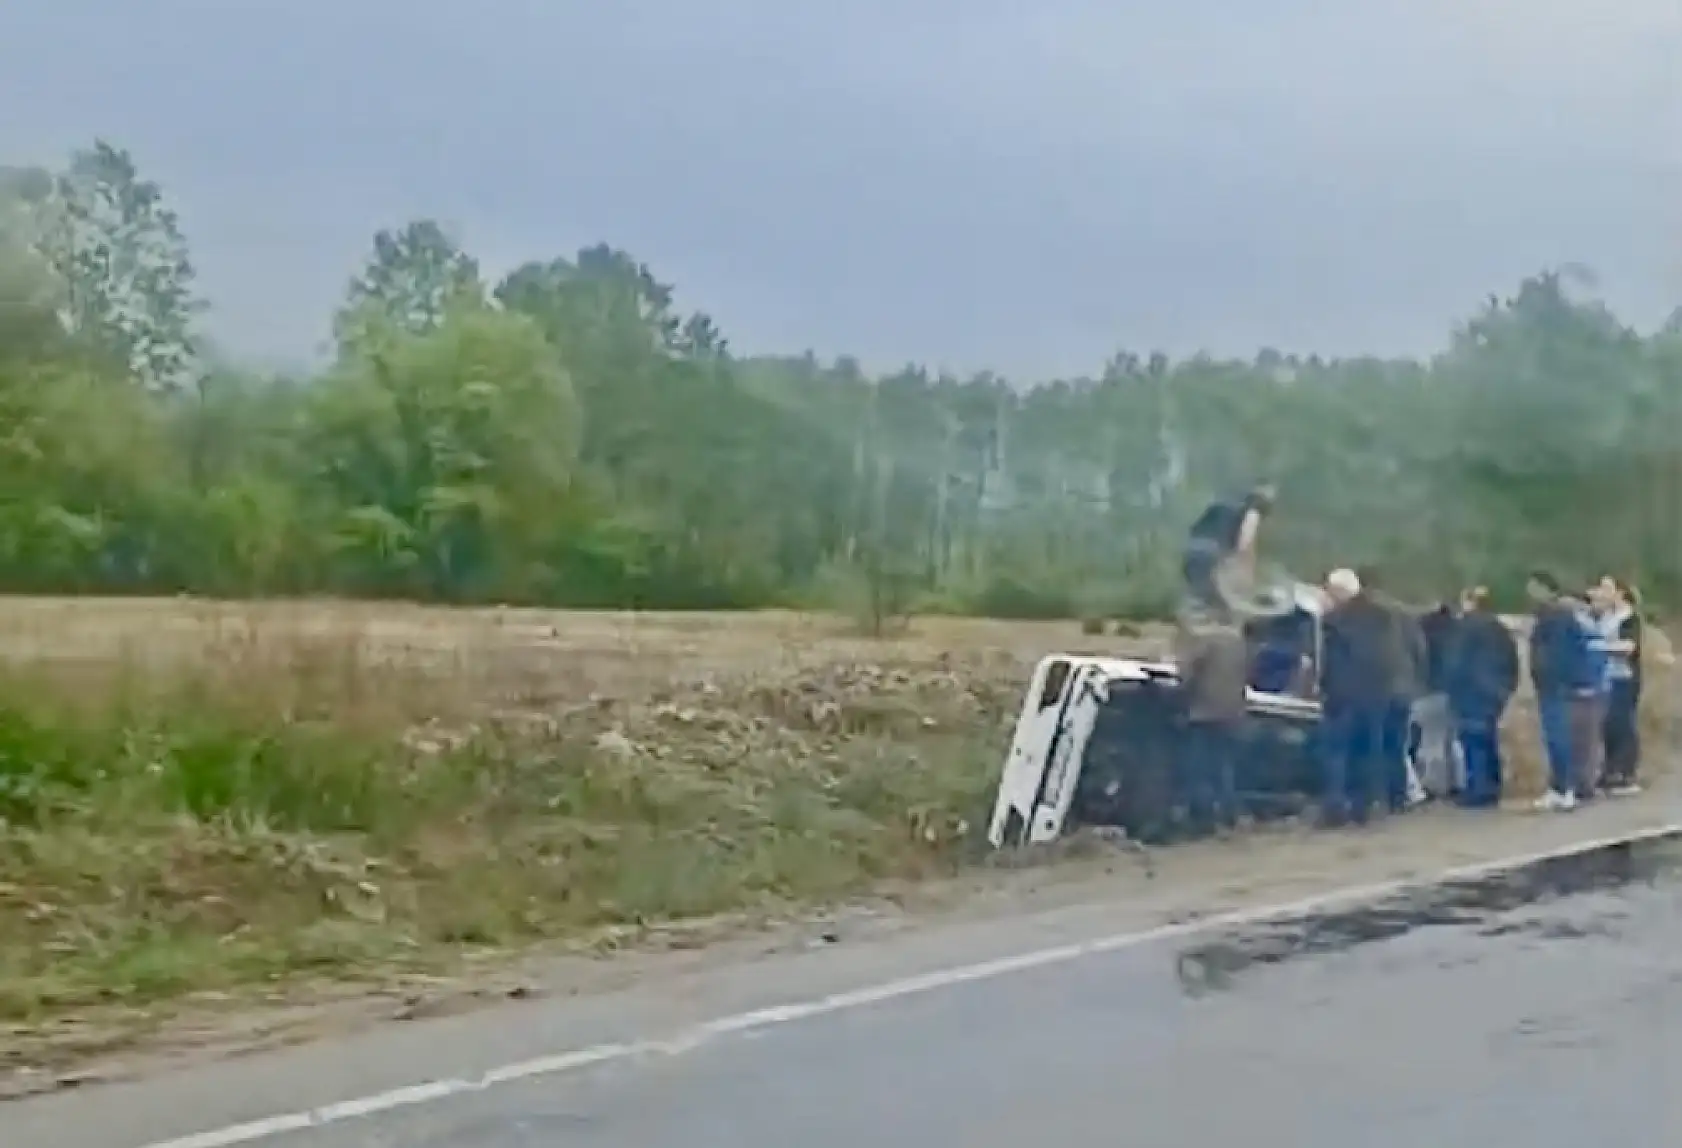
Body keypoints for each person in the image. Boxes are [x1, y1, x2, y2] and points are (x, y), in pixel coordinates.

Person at [1318, 567, 1393, 827]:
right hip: (1375, 694)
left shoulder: (1334, 620)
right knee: (1368, 751)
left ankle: (1336, 809)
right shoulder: (1382, 617)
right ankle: (1364, 807)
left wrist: (1324, 687)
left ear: (1339, 591)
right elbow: (1387, 657)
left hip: (1343, 695)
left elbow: (1329, 662)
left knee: (1337, 753)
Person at [1527, 570, 1602, 811]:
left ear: (1546, 588)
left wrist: (1552, 676)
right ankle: (1558, 787)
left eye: (1533, 587)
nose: (1529, 592)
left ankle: (1566, 788)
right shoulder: (1552, 614)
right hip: (1552, 685)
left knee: (1560, 738)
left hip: (1556, 686)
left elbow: (1561, 654)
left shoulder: (1556, 615)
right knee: (1555, 739)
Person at [1357, 565, 1427, 811]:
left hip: (1377, 688)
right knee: (1396, 745)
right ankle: (1398, 797)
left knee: (1372, 744)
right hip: (1404, 688)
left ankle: (1378, 796)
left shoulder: (1366, 614)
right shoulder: (1403, 614)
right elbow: (1419, 650)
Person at [1445, 586, 1519, 807]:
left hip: (1471, 690)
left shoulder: (1465, 628)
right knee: (1488, 738)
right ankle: (1493, 785)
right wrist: (1506, 687)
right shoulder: (1500, 628)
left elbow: (1456, 661)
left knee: (1472, 741)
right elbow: (1512, 660)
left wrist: (1450, 685)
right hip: (1496, 690)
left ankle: (1478, 789)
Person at [1175, 620, 1249, 835]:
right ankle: (1229, 814)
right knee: (1224, 766)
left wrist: (1182, 693)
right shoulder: (1238, 641)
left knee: (1199, 767)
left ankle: (1203, 819)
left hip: (1204, 712)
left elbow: (1188, 674)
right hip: (1232, 711)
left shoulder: (1204, 640)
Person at [1181, 483, 1276, 613]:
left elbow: (1196, 528)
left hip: (1191, 550)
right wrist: (1247, 575)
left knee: (1198, 598)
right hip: (1212, 554)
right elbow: (1245, 542)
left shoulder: (1223, 505)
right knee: (1221, 605)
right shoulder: (1252, 512)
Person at [1596, 576, 1644, 795]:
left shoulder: (1629, 618)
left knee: (1623, 724)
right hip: (1606, 678)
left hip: (1624, 677)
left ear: (1620, 592)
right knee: (1608, 726)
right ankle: (1610, 770)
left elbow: (1628, 646)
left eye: (1607, 588)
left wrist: (1599, 647)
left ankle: (1626, 774)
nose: (1602, 592)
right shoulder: (1605, 616)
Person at [1413, 599, 1463, 798]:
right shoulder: (1458, 633)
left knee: (1431, 742)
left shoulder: (1425, 634)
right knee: (1453, 740)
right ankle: (1458, 782)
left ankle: (1434, 785)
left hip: (1429, 689)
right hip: (1454, 691)